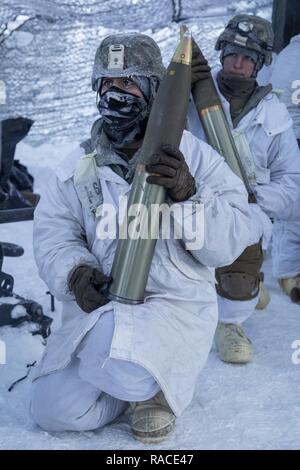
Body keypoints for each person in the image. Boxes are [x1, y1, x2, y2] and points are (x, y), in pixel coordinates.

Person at [30, 33, 261, 443]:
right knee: (53, 412)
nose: (115, 94)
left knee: (112, 348)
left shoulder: (198, 157)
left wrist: (189, 197)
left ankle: (154, 388)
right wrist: (75, 273)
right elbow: (54, 233)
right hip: (101, 306)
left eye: (128, 83)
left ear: (155, 89)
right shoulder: (78, 165)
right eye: (108, 84)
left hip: (172, 308)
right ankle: (129, 386)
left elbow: (232, 239)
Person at [189, 15, 300, 363]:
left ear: (261, 63)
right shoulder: (193, 98)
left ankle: (231, 321)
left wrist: (254, 201)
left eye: (249, 57)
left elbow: (291, 181)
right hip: (193, 206)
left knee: (237, 280)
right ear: (222, 53)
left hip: (246, 213)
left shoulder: (275, 115)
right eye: (234, 53)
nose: (239, 63)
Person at [268, 34, 300, 303]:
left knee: (291, 212)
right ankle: (288, 274)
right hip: (293, 140)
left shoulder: (286, 54)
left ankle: (289, 272)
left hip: (285, 139)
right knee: (292, 213)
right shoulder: (294, 57)